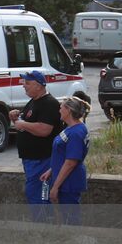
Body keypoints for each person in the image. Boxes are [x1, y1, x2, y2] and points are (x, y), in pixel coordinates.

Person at [10, 71, 59, 220]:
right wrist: (16, 118)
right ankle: (39, 224)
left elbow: (44, 129)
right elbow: (26, 126)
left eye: (27, 83)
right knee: (33, 193)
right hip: (32, 160)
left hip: (42, 160)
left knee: (39, 195)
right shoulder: (33, 101)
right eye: (24, 82)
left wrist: (22, 123)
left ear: (38, 86)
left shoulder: (49, 103)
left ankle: (43, 226)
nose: (23, 85)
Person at [41, 96, 91, 225]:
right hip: (63, 178)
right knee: (65, 216)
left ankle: (72, 242)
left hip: (69, 182)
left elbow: (71, 162)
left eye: (61, 108)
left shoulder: (76, 133)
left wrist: (55, 187)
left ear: (68, 110)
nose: (59, 111)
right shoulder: (71, 128)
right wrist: (51, 170)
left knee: (70, 217)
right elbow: (64, 154)